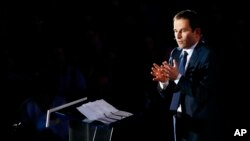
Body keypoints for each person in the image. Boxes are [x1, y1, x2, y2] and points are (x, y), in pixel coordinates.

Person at [151, 9, 223, 141]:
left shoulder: (207, 56)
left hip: (200, 126)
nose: (177, 36)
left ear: (197, 32)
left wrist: (178, 77)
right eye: (175, 31)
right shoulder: (175, 53)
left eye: (182, 31)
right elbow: (170, 93)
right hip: (178, 121)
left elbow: (203, 93)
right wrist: (164, 82)